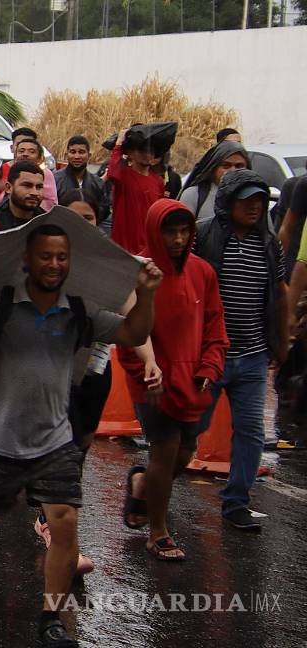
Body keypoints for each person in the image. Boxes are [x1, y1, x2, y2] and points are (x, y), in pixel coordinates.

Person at [0, 223, 160, 648]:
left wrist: (145, 293)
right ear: (26, 260)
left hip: (55, 440)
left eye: (61, 257)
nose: (54, 264)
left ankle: (50, 617)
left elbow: (134, 333)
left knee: (64, 521)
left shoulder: (78, 309)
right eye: (45, 256)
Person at [119, 200, 228, 561]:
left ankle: (141, 485)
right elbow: (129, 332)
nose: (179, 240)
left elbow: (215, 327)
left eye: (185, 232)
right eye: (170, 232)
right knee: (164, 451)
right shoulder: (138, 270)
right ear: (155, 232)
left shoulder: (203, 272)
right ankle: (158, 532)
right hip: (152, 381)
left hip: (193, 381)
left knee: (184, 453)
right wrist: (143, 373)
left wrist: (209, 368)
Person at [195, 170, 288, 531]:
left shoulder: (269, 242)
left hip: (252, 354)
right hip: (211, 354)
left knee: (250, 430)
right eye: (246, 200)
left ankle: (236, 502)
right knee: (190, 428)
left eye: (259, 201)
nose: (253, 207)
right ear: (228, 202)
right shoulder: (204, 235)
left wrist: (279, 341)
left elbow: (278, 292)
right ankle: (152, 486)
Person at [107, 128, 166, 254]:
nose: (147, 154)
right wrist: (119, 143)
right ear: (130, 153)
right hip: (122, 250)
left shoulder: (158, 181)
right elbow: (112, 172)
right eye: (141, 150)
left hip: (148, 250)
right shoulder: (123, 175)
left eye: (150, 151)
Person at [178, 140, 249, 225]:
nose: (233, 171)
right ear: (213, 169)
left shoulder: (254, 198)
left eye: (239, 166)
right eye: (226, 166)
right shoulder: (193, 195)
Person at [53, 135, 110, 229]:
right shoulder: (55, 180)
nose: (77, 156)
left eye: (81, 152)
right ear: (67, 154)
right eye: (73, 152)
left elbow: (104, 208)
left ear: (89, 155)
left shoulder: (98, 183)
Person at [0, 161, 46, 231]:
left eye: (39, 187)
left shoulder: (48, 223)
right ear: (8, 188)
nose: (35, 193)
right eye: (27, 186)